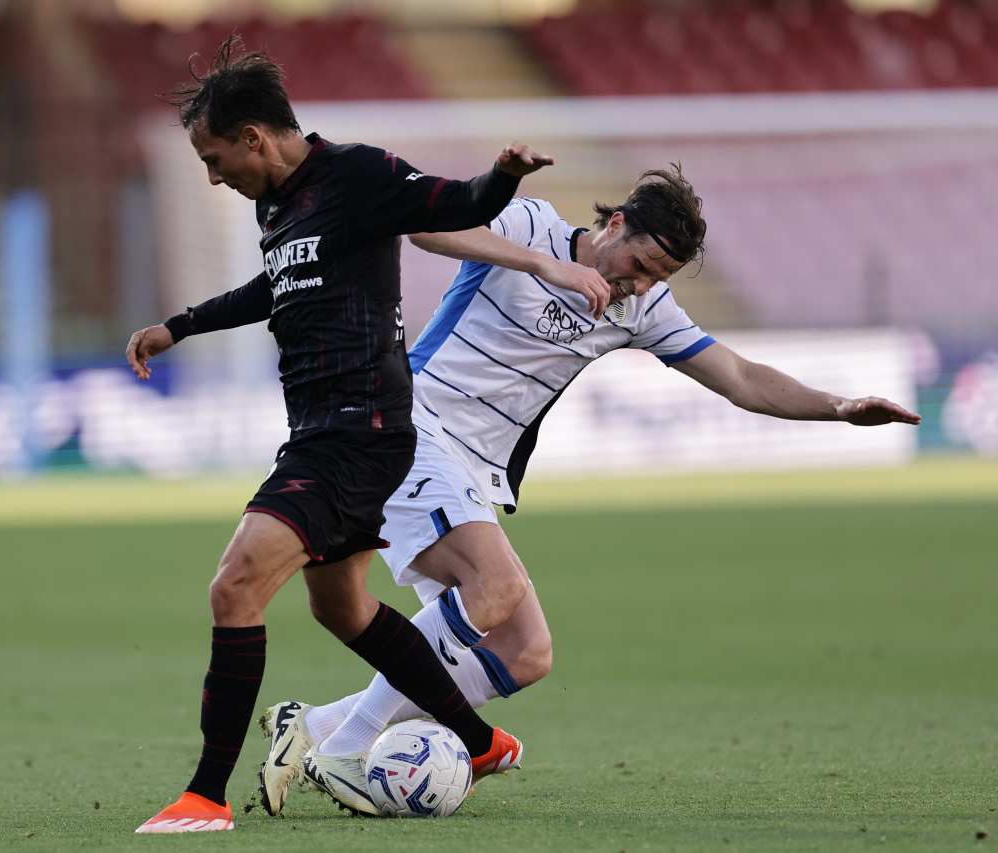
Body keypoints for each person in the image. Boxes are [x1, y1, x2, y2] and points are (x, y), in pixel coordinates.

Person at [260, 165, 921, 815]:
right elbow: (424, 229)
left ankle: (314, 726)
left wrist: (838, 407)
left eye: (657, 277)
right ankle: (346, 748)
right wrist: (545, 267)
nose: (640, 284)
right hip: (410, 427)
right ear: (615, 224)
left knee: (525, 652)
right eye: (640, 264)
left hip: (472, 471)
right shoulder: (529, 226)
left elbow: (741, 378)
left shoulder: (642, 309)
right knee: (495, 587)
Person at [128, 36, 557, 833]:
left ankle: (206, 795)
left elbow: (455, 204)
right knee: (343, 607)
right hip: (323, 430)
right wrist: (180, 325)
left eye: (216, 159)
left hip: (361, 434)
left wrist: (502, 176)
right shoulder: (275, 206)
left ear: (254, 137)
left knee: (235, 584)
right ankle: (478, 739)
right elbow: (277, 283)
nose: (214, 176)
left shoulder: (360, 176)